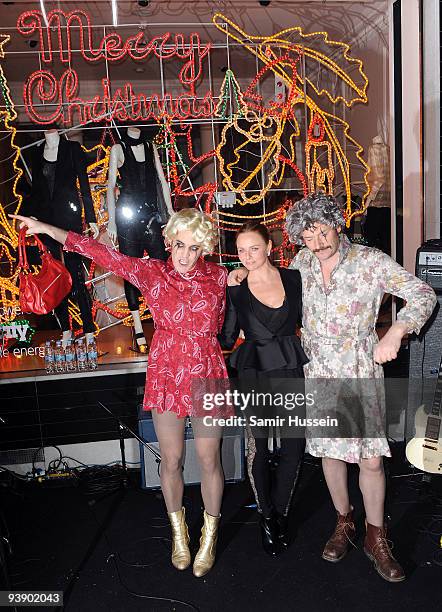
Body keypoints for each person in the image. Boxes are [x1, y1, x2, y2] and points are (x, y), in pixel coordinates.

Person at [228, 192, 437, 582]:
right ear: (298, 238)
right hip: (317, 368)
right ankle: (344, 521)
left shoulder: (370, 261)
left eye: (323, 231)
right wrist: (241, 276)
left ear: (337, 223)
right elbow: (270, 285)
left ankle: (377, 535)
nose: (318, 241)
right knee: (330, 454)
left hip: (359, 367)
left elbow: (423, 293)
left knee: (370, 459)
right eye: (308, 235)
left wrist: (395, 331)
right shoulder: (300, 263)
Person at [11, 208, 230, 578]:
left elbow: (221, 320)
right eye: (179, 245)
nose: (185, 255)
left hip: (207, 370)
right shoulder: (152, 273)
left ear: (204, 248)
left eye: (194, 248)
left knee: (210, 459)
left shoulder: (219, 277)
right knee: (171, 460)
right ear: (169, 242)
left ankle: (209, 536)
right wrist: (45, 227)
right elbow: (97, 251)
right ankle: (179, 533)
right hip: (166, 372)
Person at [219, 221, 308, 556]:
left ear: (270, 247)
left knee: (293, 446)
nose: (248, 256)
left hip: (289, 367)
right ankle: (266, 516)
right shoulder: (236, 289)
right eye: (241, 251)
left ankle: (281, 511)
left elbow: (309, 317)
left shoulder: (294, 279)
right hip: (254, 370)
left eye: (254, 248)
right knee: (257, 447)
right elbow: (227, 337)